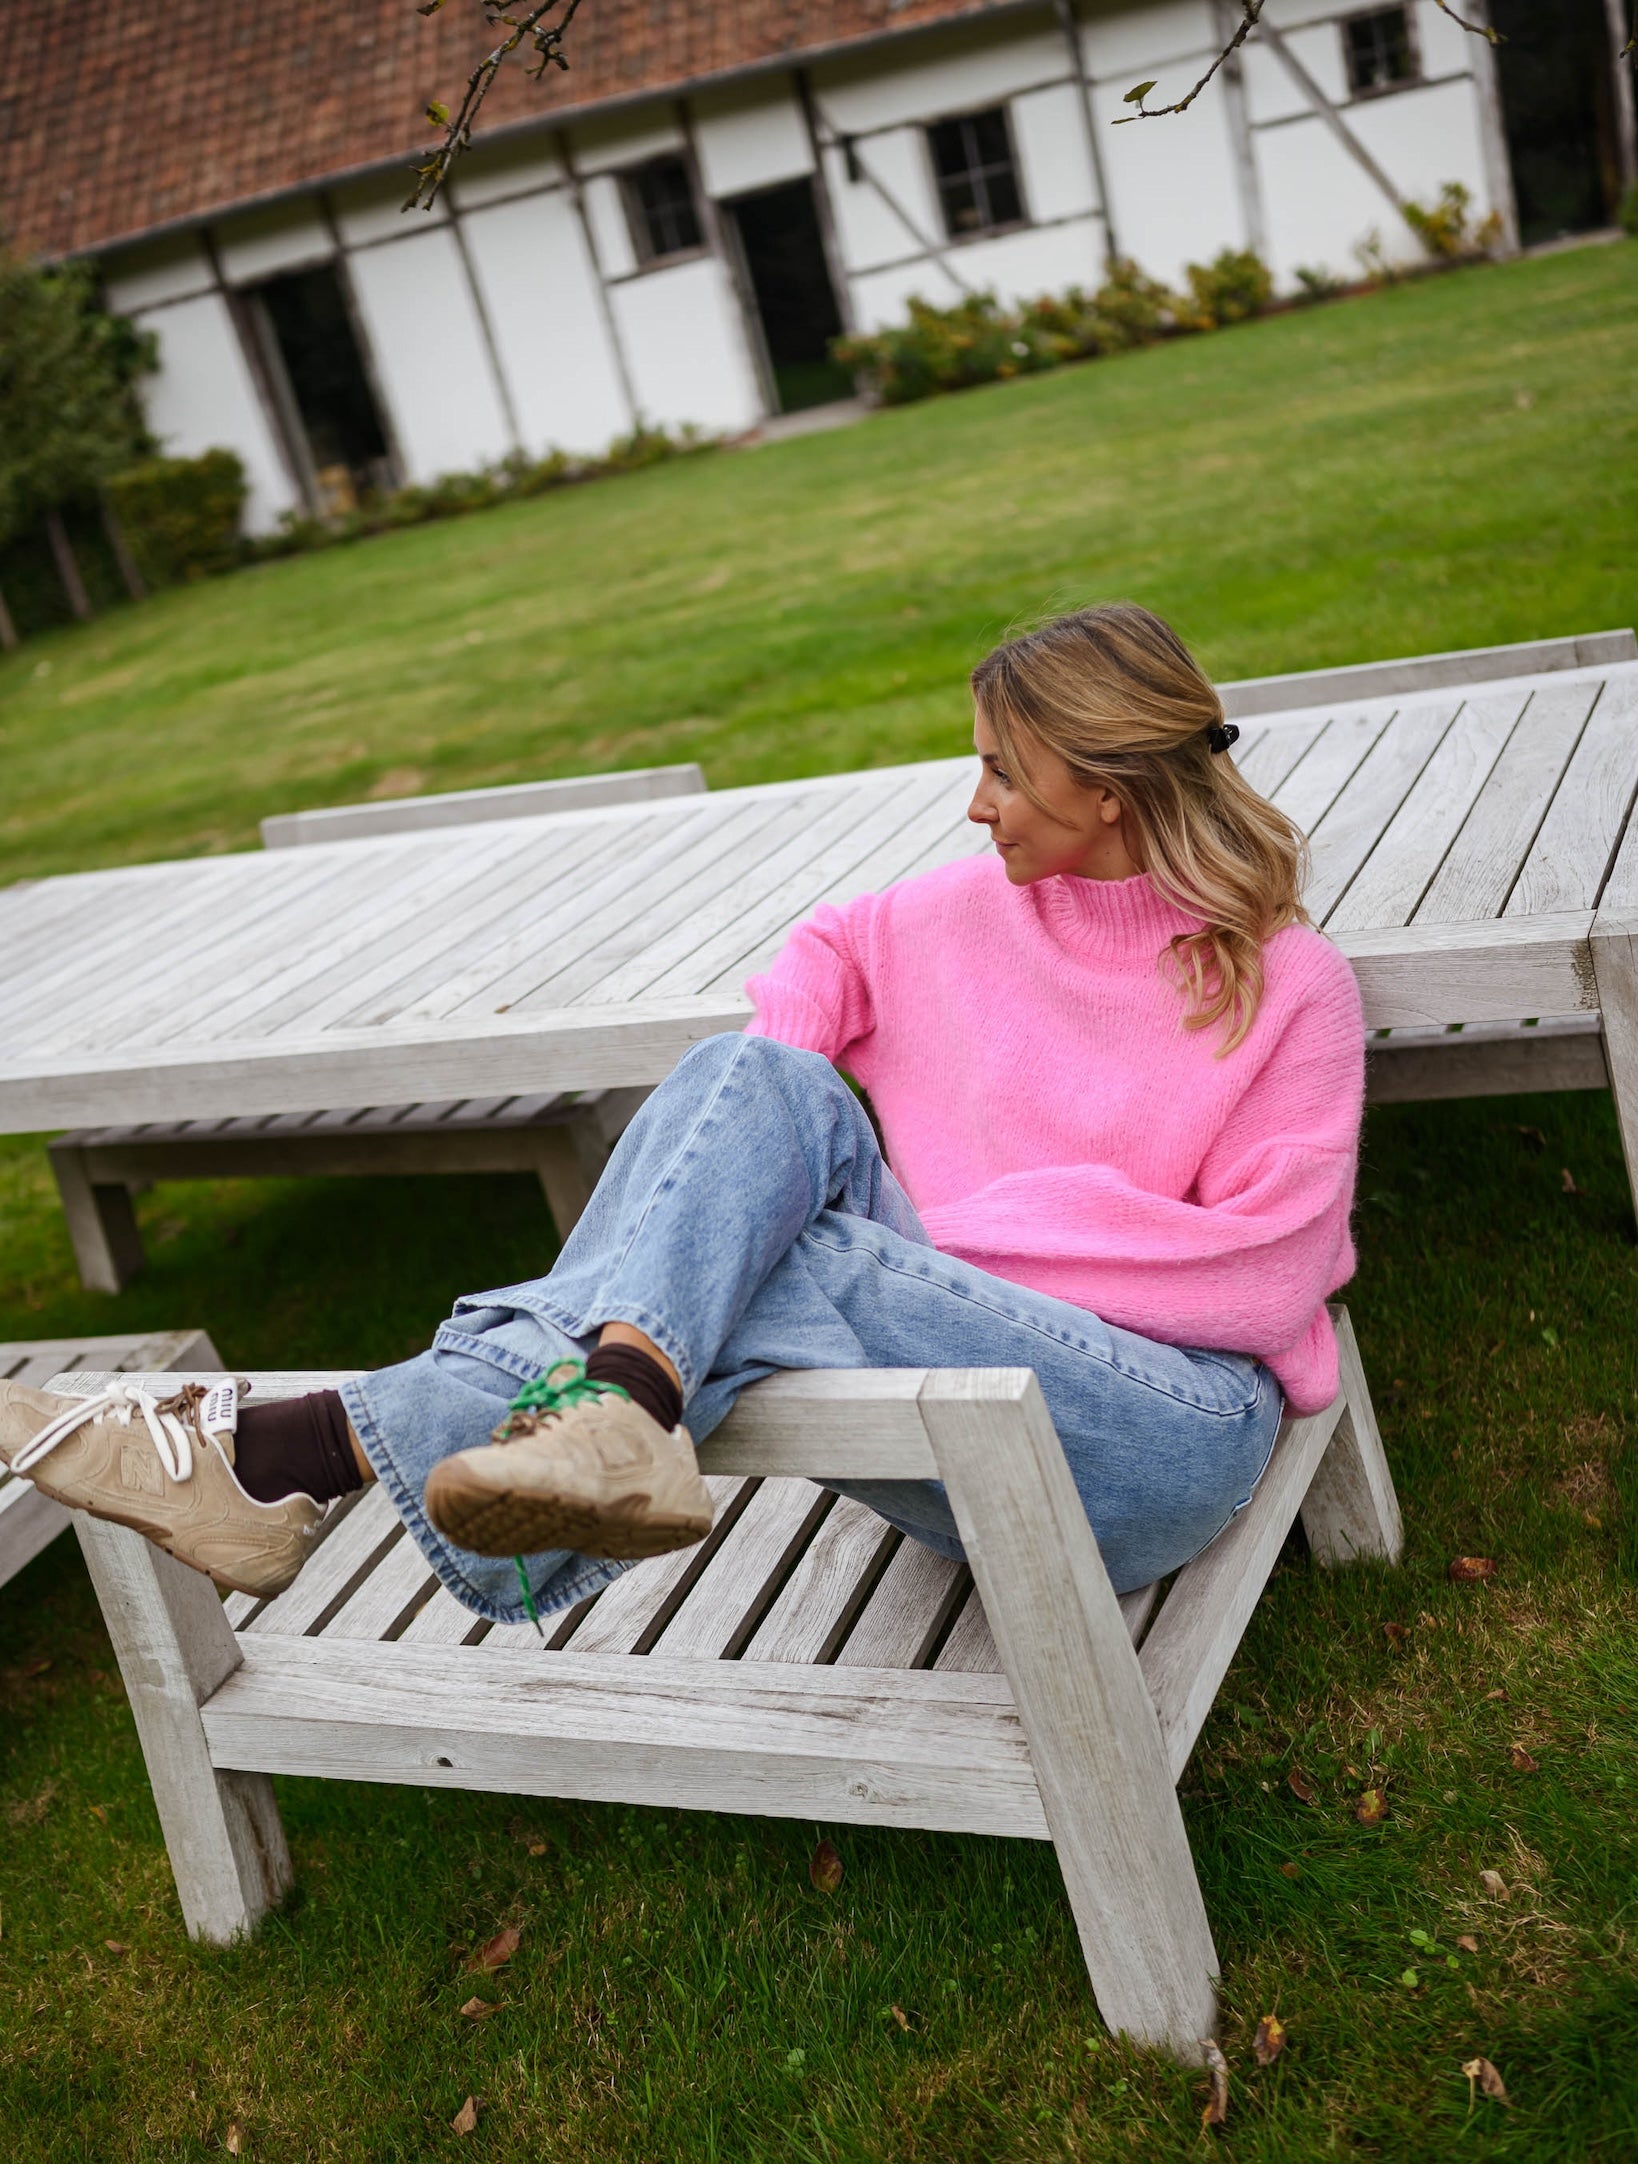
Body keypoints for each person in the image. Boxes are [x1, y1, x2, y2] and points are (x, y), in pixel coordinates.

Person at [0, 603, 1364, 1624]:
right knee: (748, 1079)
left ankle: (289, 1452)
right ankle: (614, 1405)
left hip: (1161, 1432)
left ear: (1105, 789)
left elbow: (1260, 1281)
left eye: (1003, 770)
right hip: (950, 1387)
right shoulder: (969, 911)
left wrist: (895, 1244)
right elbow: (823, 956)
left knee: (787, 1253)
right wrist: (753, 1169)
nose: (975, 802)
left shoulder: (1286, 986)